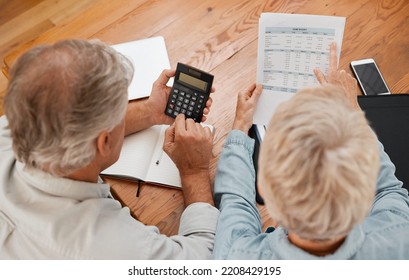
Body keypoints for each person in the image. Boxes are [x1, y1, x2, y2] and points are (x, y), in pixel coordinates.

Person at [0, 39, 219, 259]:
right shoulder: (111, 247)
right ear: (103, 143)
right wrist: (194, 173)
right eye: (121, 110)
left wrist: (151, 111)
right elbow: (203, 261)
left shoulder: (18, 121)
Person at [212, 43, 409, 259]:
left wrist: (240, 127)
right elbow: (388, 190)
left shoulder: (236, 259)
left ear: (263, 187)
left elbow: (235, 204)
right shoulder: (399, 237)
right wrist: (352, 112)